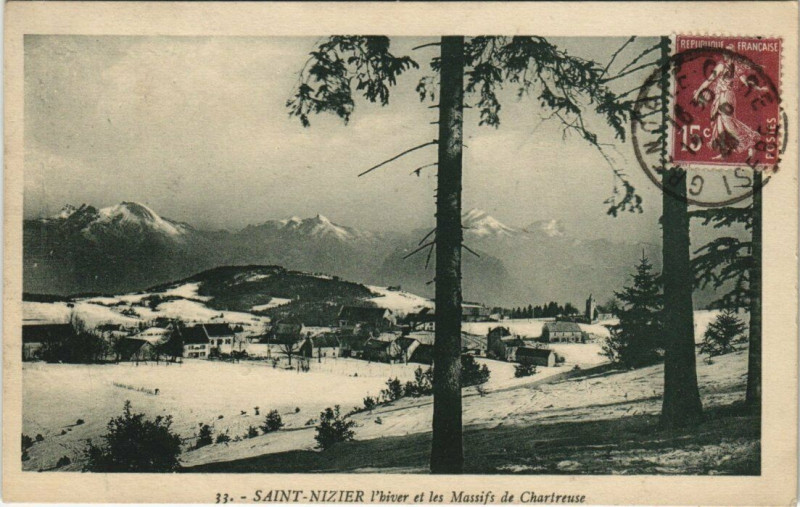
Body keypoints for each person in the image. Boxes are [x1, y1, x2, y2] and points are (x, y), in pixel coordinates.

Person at [691, 48, 768, 160]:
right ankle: (724, 151)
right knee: (719, 122)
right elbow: (746, 81)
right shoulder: (734, 67)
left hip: (725, 96)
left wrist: (698, 92)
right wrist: (758, 88)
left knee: (727, 122)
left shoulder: (725, 66)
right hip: (722, 96)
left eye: (729, 54)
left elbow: (710, 81)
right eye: (726, 53)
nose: (726, 56)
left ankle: (750, 142)